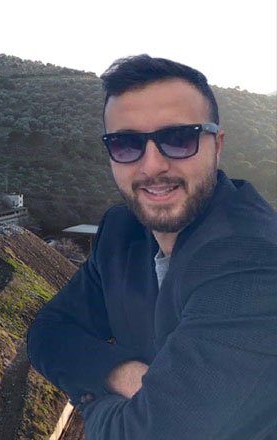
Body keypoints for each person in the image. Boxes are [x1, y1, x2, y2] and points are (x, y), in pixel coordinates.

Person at [26, 55, 277, 439]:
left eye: (179, 139)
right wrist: (123, 373)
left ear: (217, 145)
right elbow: (48, 333)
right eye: (127, 144)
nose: (152, 165)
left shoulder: (253, 262)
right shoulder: (120, 231)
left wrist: (93, 401)